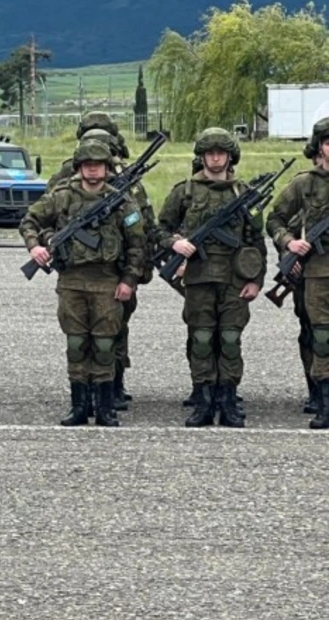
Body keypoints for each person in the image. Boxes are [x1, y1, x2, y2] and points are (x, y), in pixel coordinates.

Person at [20, 139, 145, 427]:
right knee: (76, 344)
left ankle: (104, 407)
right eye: (87, 166)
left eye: (98, 165)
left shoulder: (122, 201)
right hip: (72, 282)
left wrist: (129, 280)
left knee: (104, 346)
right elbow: (29, 221)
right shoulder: (62, 196)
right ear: (79, 168)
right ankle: (79, 406)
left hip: (107, 282)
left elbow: (138, 244)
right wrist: (34, 247)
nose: (93, 171)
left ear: (106, 168)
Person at [158, 128, 266, 428]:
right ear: (202, 156)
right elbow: (159, 230)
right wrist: (174, 245)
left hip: (235, 279)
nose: (215, 157)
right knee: (202, 341)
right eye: (210, 153)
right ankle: (203, 403)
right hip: (198, 279)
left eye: (221, 152)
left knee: (230, 340)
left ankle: (228, 402)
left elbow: (256, 242)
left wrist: (256, 280)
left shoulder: (243, 194)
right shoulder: (185, 191)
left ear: (230, 156)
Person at [267, 118, 329, 428]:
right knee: (320, 336)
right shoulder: (304, 183)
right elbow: (275, 219)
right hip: (315, 273)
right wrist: (291, 242)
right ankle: (322, 398)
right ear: (320, 148)